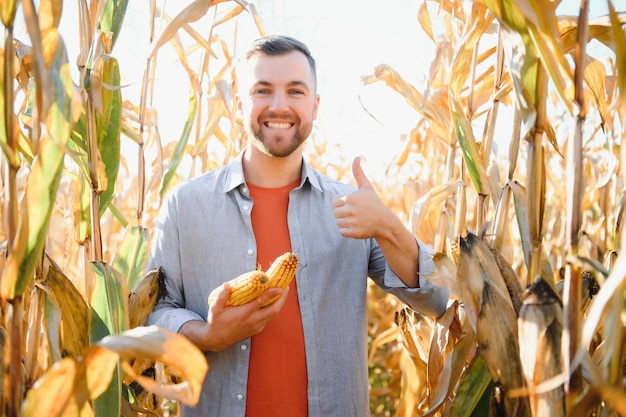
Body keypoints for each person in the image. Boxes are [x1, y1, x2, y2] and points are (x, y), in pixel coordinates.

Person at [146, 34, 449, 417]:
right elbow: (155, 311)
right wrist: (206, 335)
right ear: (240, 104)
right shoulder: (186, 206)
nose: (279, 105)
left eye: (295, 91)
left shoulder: (350, 207)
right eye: (262, 90)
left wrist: (389, 226)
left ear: (315, 105)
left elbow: (437, 301)